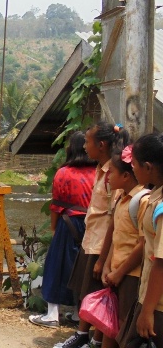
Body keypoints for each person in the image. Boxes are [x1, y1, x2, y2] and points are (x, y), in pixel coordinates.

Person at [55, 122, 129, 348]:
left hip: (101, 243)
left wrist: (104, 258)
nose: (85, 146)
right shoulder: (99, 169)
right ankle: (85, 334)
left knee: (97, 291)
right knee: (86, 290)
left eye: (88, 142)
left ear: (102, 145)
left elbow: (114, 216)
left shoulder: (112, 174)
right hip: (91, 238)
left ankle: (92, 337)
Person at [29, 131, 96, 329]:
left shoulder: (64, 173)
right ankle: (78, 313)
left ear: (71, 148)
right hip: (93, 224)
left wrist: (54, 229)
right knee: (83, 268)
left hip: (68, 224)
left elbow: (56, 206)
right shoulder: (98, 173)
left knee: (56, 267)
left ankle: (52, 314)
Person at [117, 133, 163, 347]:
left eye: (134, 164)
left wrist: (147, 311)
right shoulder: (154, 198)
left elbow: (160, 263)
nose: (132, 168)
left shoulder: (160, 208)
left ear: (148, 167)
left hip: (158, 305)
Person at [99, 144, 147, 348]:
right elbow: (116, 239)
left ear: (126, 176)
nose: (108, 177)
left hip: (131, 275)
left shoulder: (142, 201)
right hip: (116, 272)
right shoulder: (121, 200)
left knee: (124, 327)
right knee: (110, 325)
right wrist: (107, 266)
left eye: (113, 173)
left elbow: (143, 245)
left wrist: (119, 272)